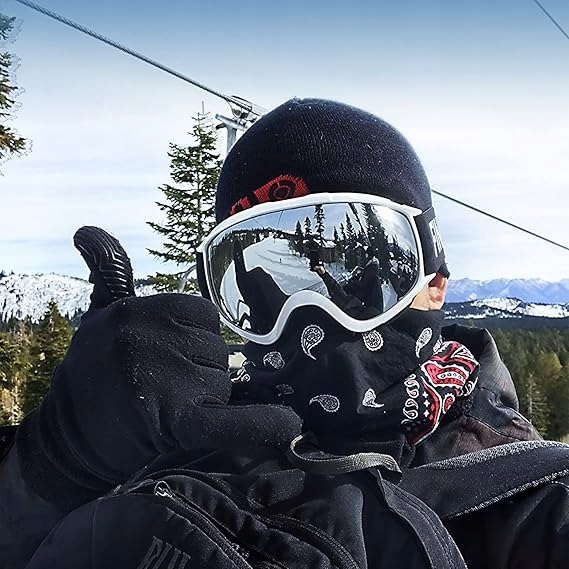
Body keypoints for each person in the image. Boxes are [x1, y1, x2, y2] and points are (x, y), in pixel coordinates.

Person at [1, 99, 567, 568]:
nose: (305, 317)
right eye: (260, 291)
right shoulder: (180, 450)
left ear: (434, 282)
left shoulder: (532, 501)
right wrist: (55, 461)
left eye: (359, 278)